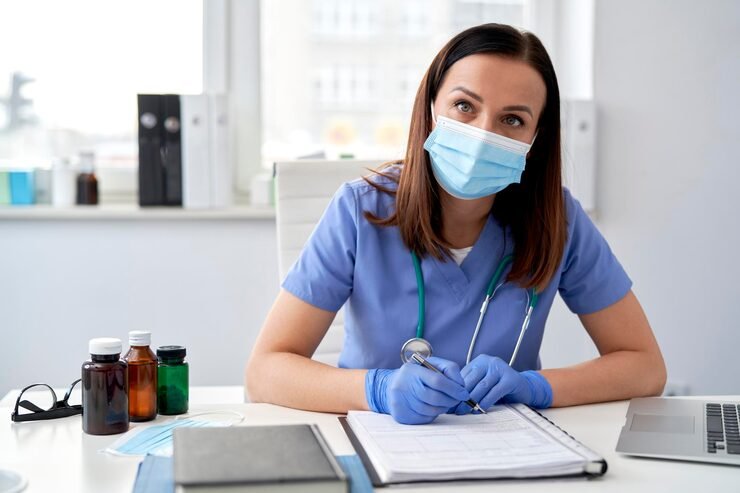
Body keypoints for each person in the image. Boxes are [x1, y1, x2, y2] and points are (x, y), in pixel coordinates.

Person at [246, 23, 666, 424]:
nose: (484, 134)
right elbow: (264, 371)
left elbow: (644, 367)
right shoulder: (360, 210)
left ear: (536, 139)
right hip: (380, 439)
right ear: (431, 108)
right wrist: (378, 390)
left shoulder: (559, 220)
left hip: (509, 448)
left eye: (513, 119)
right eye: (465, 106)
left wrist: (535, 387)